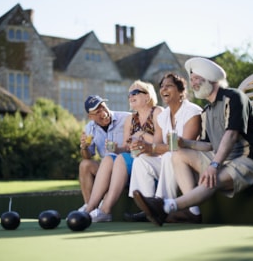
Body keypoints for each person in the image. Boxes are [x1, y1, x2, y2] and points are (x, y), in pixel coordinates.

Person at [132, 57, 253, 226]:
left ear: (211, 78)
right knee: (177, 154)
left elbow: (232, 135)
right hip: (222, 159)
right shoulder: (206, 111)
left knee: (212, 179)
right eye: (192, 80)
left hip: (249, 159)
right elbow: (207, 146)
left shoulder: (234, 97)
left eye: (197, 78)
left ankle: (166, 206)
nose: (194, 83)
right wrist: (185, 143)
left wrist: (213, 165)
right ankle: (192, 212)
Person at [126, 73, 202, 223]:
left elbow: (184, 146)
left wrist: (151, 147)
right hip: (170, 162)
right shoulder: (164, 116)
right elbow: (157, 144)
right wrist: (145, 148)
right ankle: (148, 208)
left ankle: (159, 205)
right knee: (141, 160)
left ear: (181, 91)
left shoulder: (193, 111)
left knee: (170, 155)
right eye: (161, 86)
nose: (164, 89)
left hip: (190, 165)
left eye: (169, 85)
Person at [85, 81, 163, 222]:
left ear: (147, 96)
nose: (130, 96)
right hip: (135, 161)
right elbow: (126, 147)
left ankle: (105, 209)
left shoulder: (158, 112)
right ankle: (89, 208)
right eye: (129, 94)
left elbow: (160, 145)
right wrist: (116, 148)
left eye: (135, 93)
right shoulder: (130, 119)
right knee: (109, 158)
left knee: (120, 159)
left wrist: (142, 134)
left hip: (154, 159)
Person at [78, 95, 130, 212]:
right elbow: (87, 156)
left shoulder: (127, 118)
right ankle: (89, 206)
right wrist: (84, 147)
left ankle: (100, 208)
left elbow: (137, 147)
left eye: (103, 107)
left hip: (126, 169)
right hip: (106, 171)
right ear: (90, 117)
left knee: (109, 161)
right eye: (97, 112)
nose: (103, 113)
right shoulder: (89, 128)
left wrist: (119, 149)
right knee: (85, 164)